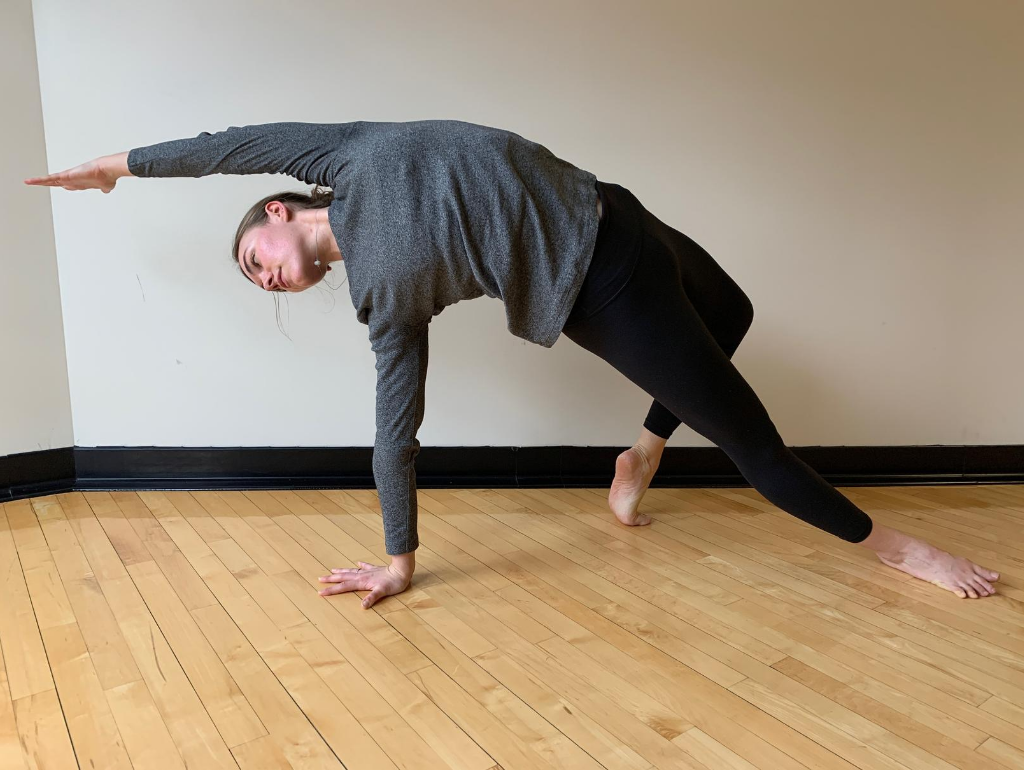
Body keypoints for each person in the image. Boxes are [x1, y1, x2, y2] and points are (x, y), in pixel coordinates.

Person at [25, 119, 1000, 606]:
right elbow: (393, 429)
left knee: (734, 309)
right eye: (257, 283)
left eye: (255, 261)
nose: (267, 279)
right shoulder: (383, 297)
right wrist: (401, 556)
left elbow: (233, 145)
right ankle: (902, 550)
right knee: (758, 448)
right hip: (597, 293)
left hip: (607, 206)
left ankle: (642, 456)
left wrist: (120, 166)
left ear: (279, 212)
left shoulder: (348, 152)